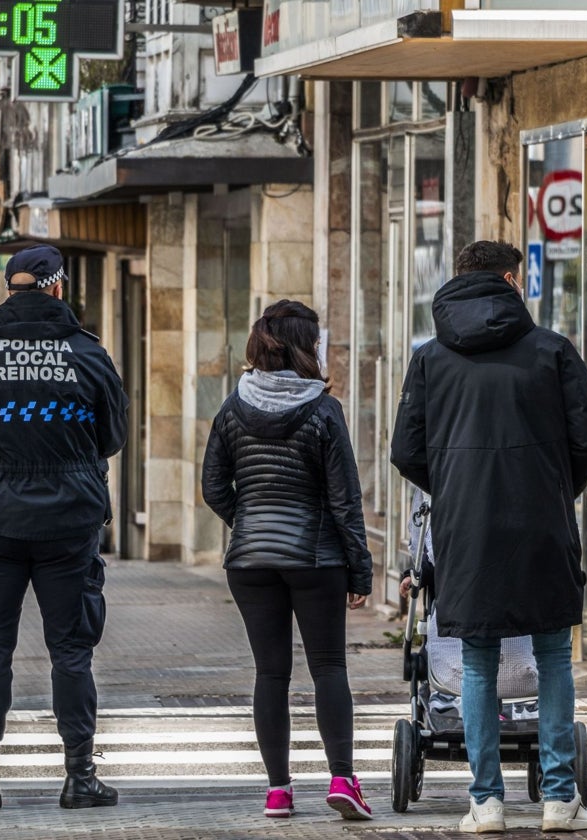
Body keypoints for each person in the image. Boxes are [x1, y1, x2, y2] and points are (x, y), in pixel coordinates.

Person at [389, 240, 587, 834]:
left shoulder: (430, 359)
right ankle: (560, 801)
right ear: (513, 280)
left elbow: (405, 450)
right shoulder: (553, 351)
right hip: (542, 522)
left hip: (466, 529)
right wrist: (557, 484)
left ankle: (485, 803)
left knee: (478, 659)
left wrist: (458, 484)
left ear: (460, 279)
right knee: (554, 656)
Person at [0, 243, 128, 811]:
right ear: (58, 288)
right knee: (71, 650)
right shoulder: (88, 355)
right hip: (70, 519)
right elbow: (113, 437)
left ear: (10, 287)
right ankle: (79, 777)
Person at [201, 299, 375, 822]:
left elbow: (213, 487)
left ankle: (278, 791)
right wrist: (359, 568)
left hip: (250, 561)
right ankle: (343, 779)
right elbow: (345, 499)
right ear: (307, 347)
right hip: (316, 559)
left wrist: (250, 521)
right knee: (328, 667)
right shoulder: (323, 410)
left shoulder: (233, 406)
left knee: (270, 674)